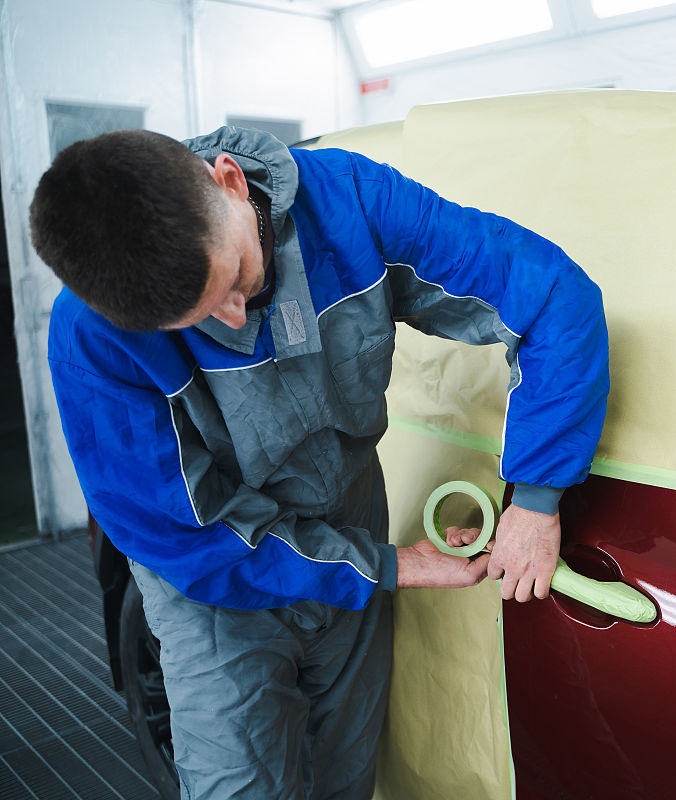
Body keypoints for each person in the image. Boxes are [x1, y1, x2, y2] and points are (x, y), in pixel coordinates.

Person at [29, 125, 609, 799]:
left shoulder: (353, 204)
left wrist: (536, 501)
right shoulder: (90, 337)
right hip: (215, 583)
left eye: (233, 279)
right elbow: (183, 536)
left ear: (231, 182)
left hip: (347, 520)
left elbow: (553, 297)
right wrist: (386, 564)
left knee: (346, 776)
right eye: (196, 318)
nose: (235, 318)